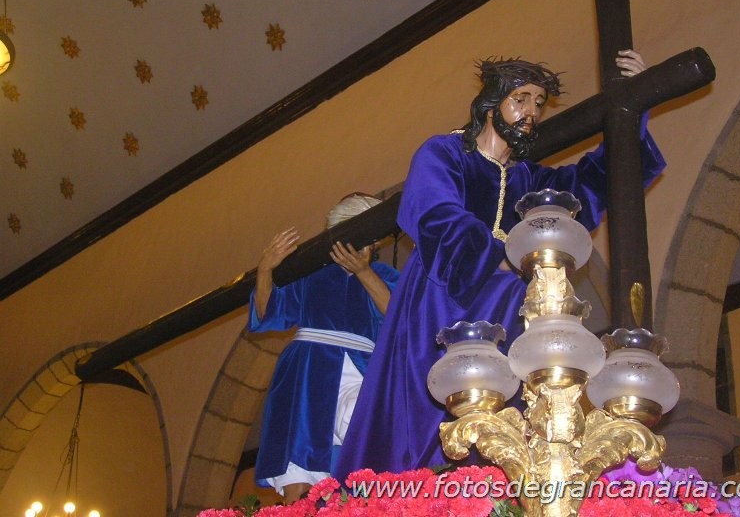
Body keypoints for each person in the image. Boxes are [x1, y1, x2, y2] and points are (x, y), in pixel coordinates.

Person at [333, 50, 666, 480]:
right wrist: (506, 256)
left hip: (505, 305)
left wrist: (637, 104)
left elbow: (590, 183)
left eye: (539, 103)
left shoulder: (527, 178)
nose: (531, 112)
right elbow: (437, 214)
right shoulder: (445, 152)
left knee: (513, 390)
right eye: (520, 99)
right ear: (491, 104)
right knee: (417, 409)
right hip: (441, 296)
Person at [248, 193, 400, 503]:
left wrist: (363, 272)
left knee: (370, 427)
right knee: (298, 465)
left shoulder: (384, 276)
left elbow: (399, 317)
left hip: (362, 367)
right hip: (307, 370)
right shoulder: (309, 269)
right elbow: (268, 312)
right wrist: (265, 271)